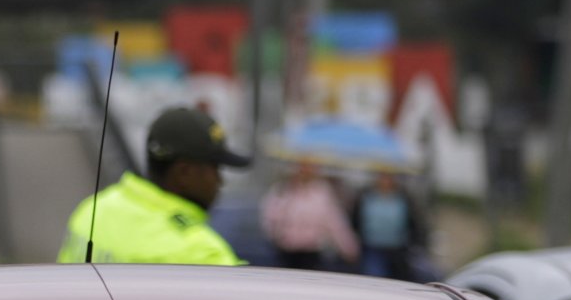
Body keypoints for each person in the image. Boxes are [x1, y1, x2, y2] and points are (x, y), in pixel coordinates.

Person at [58, 105, 249, 265]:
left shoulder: (93, 209)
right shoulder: (202, 254)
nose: (220, 180)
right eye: (215, 168)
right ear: (184, 172)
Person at [260, 159, 359, 270]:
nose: (304, 171)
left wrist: (348, 248)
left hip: (311, 251)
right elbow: (270, 217)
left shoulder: (321, 193)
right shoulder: (282, 190)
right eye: (302, 167)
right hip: (285, 250)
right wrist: (275, 236)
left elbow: (335, 223)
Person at [351, 169, 427, 280]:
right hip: (372, 247)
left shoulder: (403, 198)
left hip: (398, 249)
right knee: (374, 278)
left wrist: (415, 243)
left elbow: (414, 223)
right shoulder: (366, 196)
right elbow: (356, 220)